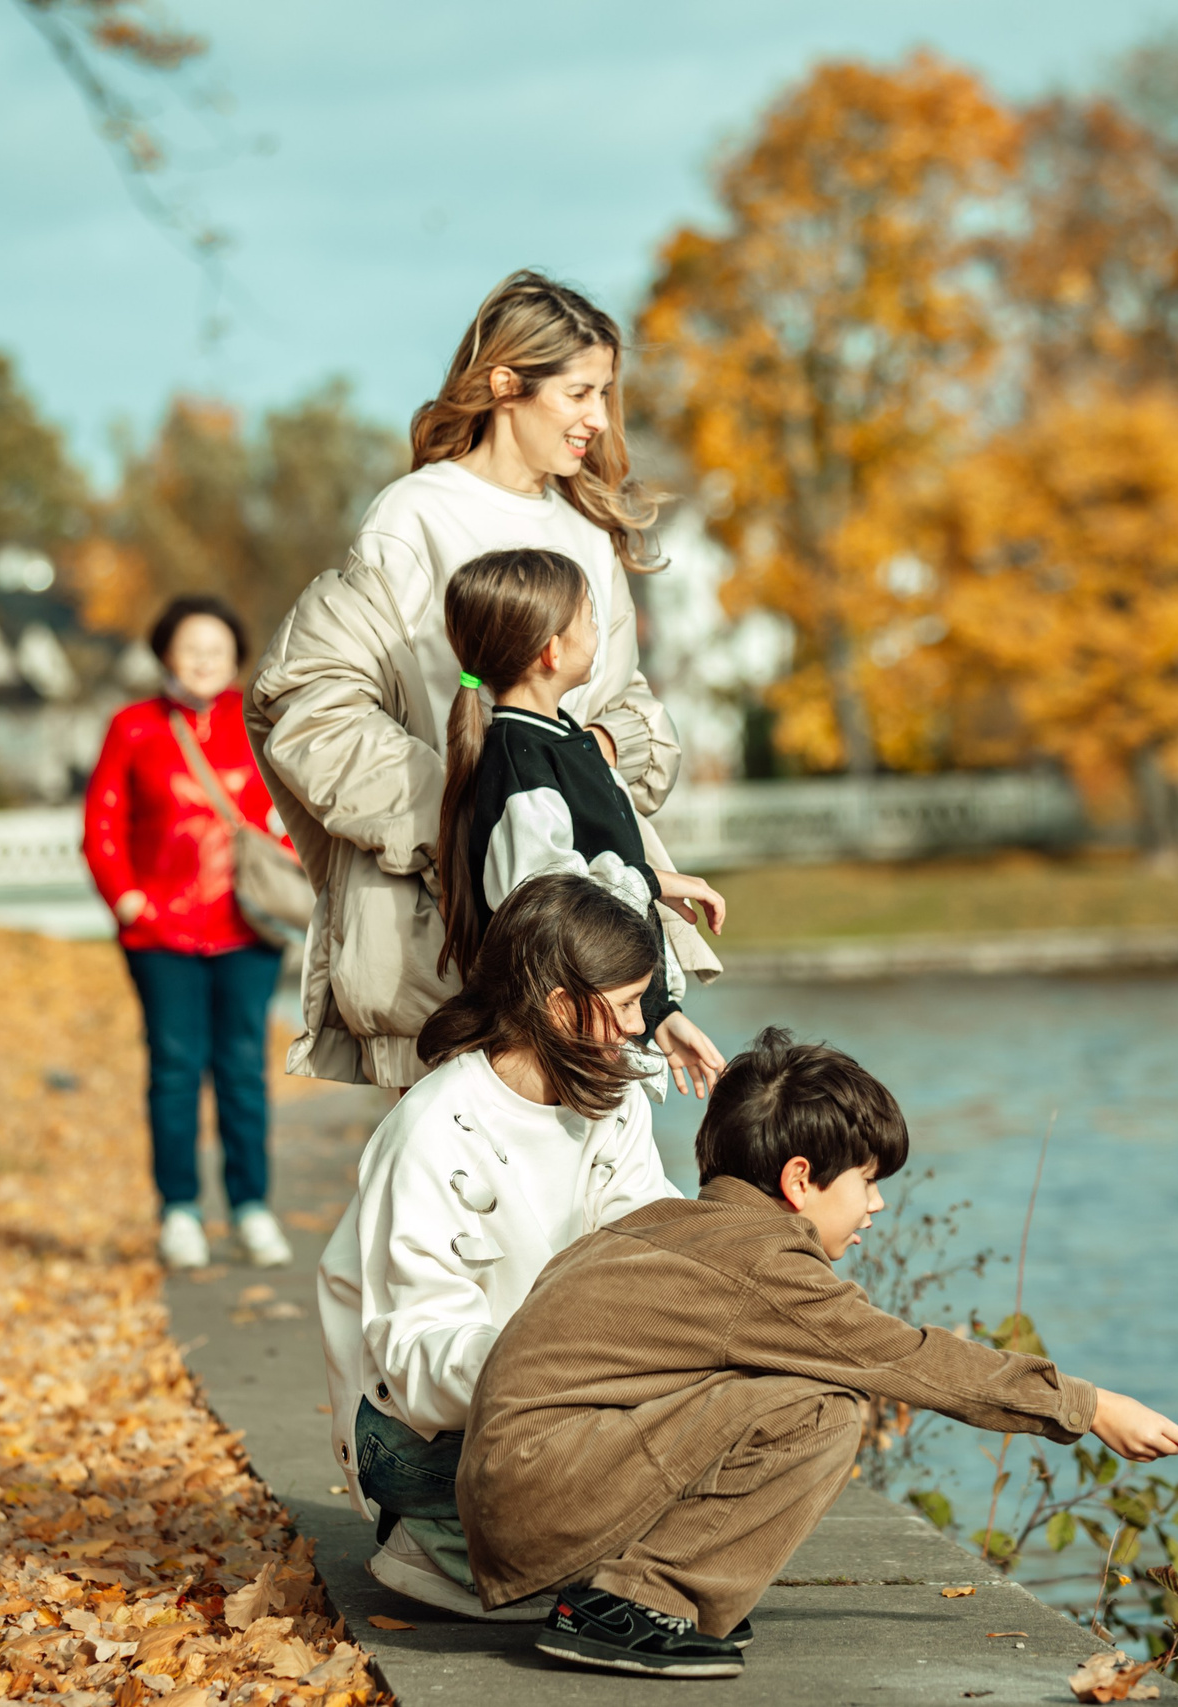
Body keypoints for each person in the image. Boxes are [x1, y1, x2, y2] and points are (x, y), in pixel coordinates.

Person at [457, 1028, 1178, 1680]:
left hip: (512, 1492)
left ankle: (642, 1592)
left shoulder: (667, 1223)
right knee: (825, 1408)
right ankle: (636, 1605)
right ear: (800, 1179)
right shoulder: (763, 1264)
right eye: (868, 1181)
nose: (876, 1204)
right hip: (542, 1496)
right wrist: (1092, 1406)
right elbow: (911, 1359)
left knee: (793, 1380)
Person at [248, 269, 717, 1095]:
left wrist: (589, 757)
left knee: (600, 1203)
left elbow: (632, 709)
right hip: (450, 935)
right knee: (460, 1197)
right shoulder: (412, 518)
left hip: (595, 950)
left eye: (605, 394)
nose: (598, 420)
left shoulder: (589, 534)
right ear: (506, 384)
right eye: (578, 393)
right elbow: (314, 708)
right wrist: (474, 813)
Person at [318, 872, 679, 1623]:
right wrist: (561, 1364)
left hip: (549, 1391)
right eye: (623, 1006)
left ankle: (540, 1546)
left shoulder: (614, 1102)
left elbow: (655, 1246)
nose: (641, 1026)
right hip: (415, 1431)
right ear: (558, 1007)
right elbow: (417, 1357)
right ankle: (444, 1544)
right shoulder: (433, 1129)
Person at [437, 546, 728, 1096]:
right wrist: (653, 881)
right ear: (552, 650)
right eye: (590, 619)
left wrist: (658, 1014)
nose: (599, 630)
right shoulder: (519, 756)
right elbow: (546, 898)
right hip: (560, 1052)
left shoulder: (561, 739)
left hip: (601, 1036)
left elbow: (602, 916)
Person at [83, 595, 296, 1273]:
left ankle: (251, 1207)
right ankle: (178, 1210)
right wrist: (128, 901)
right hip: (162, 934)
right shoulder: (133, 727)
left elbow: (296, 806)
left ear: (236, 658)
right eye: (190, 646)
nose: (204, 659)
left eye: (217, 648)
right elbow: (101, 824)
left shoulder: (260, 724)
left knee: (242, 1070)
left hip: (247, 928)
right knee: (174, 1071)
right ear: (165, 654)